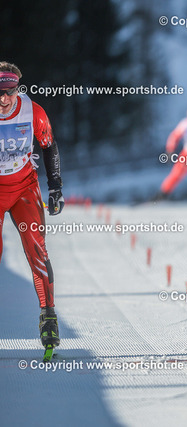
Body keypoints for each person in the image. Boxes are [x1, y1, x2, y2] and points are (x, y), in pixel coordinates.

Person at [0, 61, 64, 351]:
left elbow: (49, 146)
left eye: (9, 91)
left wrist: (55, 188)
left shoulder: (32, 111)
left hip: (24, 189)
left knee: (37, 250)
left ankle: (48, 317)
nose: (4, 98)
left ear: (17, 89)